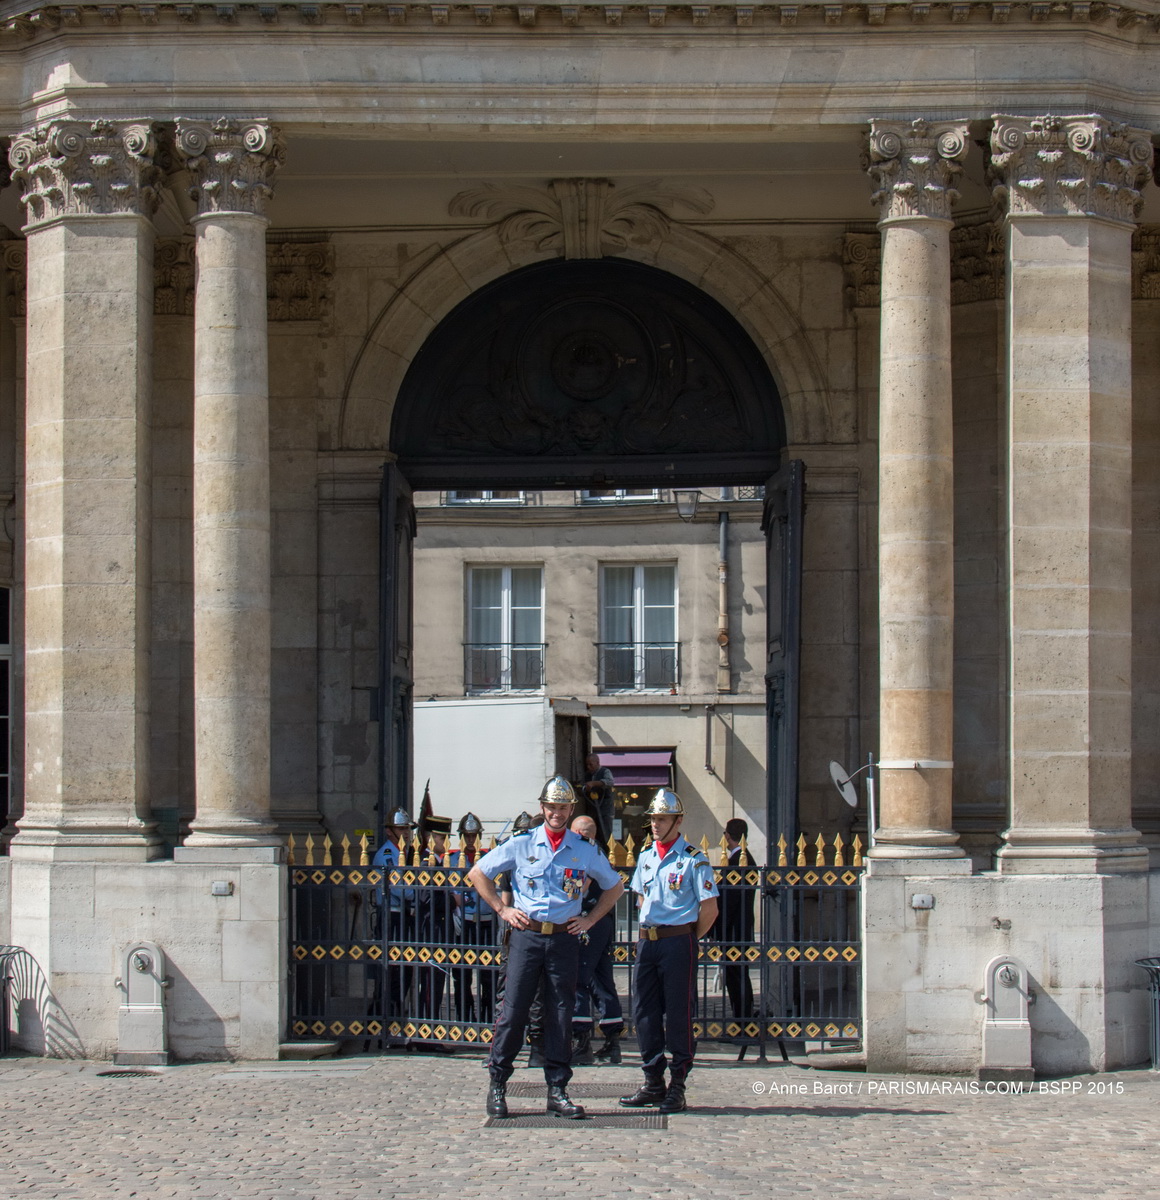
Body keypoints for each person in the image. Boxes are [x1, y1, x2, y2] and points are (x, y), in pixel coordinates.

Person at [467, 775, 624, 1120]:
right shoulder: (522, 843)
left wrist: (590, 919)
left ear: (570, 810)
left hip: (564, 938)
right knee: (513, 1011)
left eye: (563, 807)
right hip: (527, 935)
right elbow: (479, 873)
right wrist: (502, 909)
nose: (557, 812)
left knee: (560, 1013)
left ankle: (557, 1088)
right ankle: (498, 1084)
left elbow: (614, 887)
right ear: (543, 808)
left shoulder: (583, 848)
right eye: (551, 807)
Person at [619, 788, 718, 1115]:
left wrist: (687, 936)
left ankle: (678, 1084)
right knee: (644, 1012)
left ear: (678, 820)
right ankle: (652, 1080)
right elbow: (640, 899)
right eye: (653, 819)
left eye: (661, 819)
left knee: (678, 1013)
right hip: (649, 941)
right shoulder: (646, 856)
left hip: (678, 941)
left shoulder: (693, 858)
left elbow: (709, 909)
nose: (656, 825)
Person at [569, 814, 625, 1066]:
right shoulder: (599, 852)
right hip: (602, 921)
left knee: (578, 979)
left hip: (587, 919)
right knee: (602, 980)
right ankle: (613, 1042)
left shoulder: (584, 853)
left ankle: (581, 1043)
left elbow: (575, 889)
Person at [372, 808, 417, 1026]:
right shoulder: (387, 854)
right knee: (391, 971)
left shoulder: (407, 853)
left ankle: (398, 1016)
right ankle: (386, 1019)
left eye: (407, 828)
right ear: (390, 831)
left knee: (404, 970)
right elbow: (399, 889)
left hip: (404, 916)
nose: (406, 832)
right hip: (391, 916)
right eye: (401, 828)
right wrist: (420, 893)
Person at [714, 817, 756, 1021]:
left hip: (733, 930)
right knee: (738, 976)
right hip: (742, 927)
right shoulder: (747, 858)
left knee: (736, 977)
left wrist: (716, 931)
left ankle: (743, 1021)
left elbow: (727, 903)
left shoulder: (736, 861)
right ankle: (742, 1019)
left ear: (728, 836)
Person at [580, 752, 616, 846]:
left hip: (605, 809)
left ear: (597, 762)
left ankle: (608, 850)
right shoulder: (586, 775)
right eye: (587, 764)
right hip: (592, 810)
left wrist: (594, 783)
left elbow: (610, 782)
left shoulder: (605, 771)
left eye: (591, 764)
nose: (589, 767)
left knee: (605, 832)